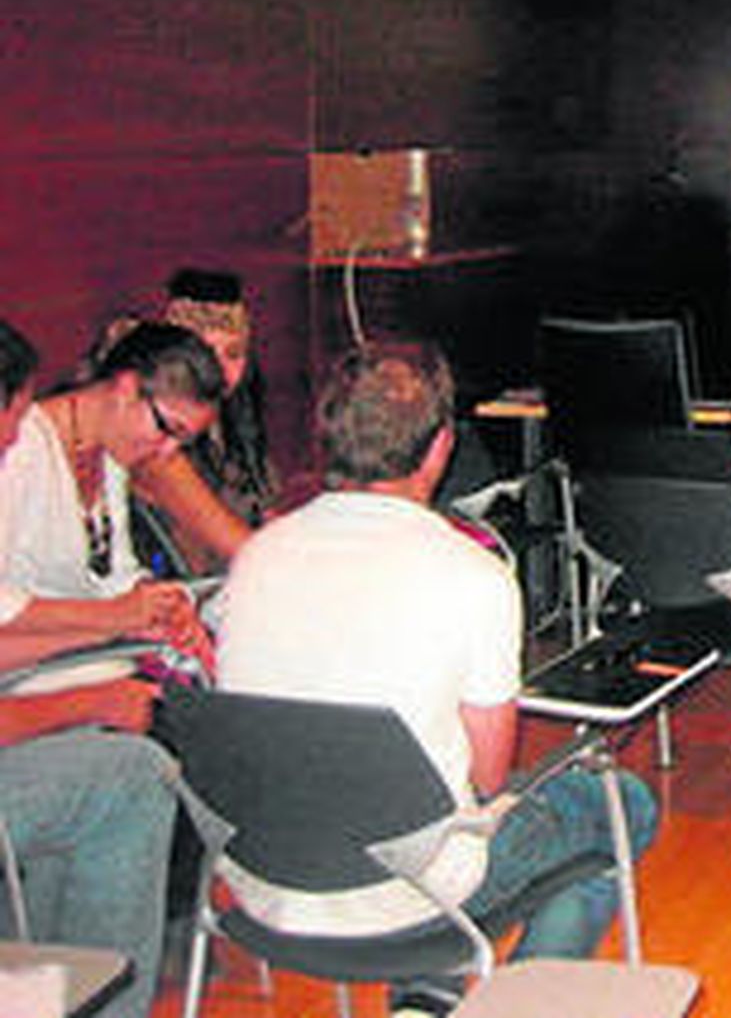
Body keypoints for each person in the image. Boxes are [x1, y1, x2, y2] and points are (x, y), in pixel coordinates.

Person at [215, 340, 657, 1015]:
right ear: (439, 448)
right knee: (620, 806)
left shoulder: (257, 555)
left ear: (327, 435)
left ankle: (428, 996)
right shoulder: (472, 574)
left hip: (264, 882)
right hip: (404, 890)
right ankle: (480, 998)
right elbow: (487, 777)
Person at [0, 318, 181, 1018]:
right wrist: (91, 702)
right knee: (132, 778)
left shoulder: (96, 455)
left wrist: (128, 626)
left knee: (100, 764)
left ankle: (45, 988)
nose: (10, 449)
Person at [0, 320, 218, 661]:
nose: (167, 452)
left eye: (182, 441)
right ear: (127, 389)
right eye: (166, 429)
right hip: (29, 666)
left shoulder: (110, 455)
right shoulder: (19, 445)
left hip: (82, 654)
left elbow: (113, 577)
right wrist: (114, 617)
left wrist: (161, 604)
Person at [125, 269, 273, 577]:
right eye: (205, 353)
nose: (220, 370)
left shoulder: (238, 428)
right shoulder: (156, 442)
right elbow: (234, 545)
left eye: (233, 354)